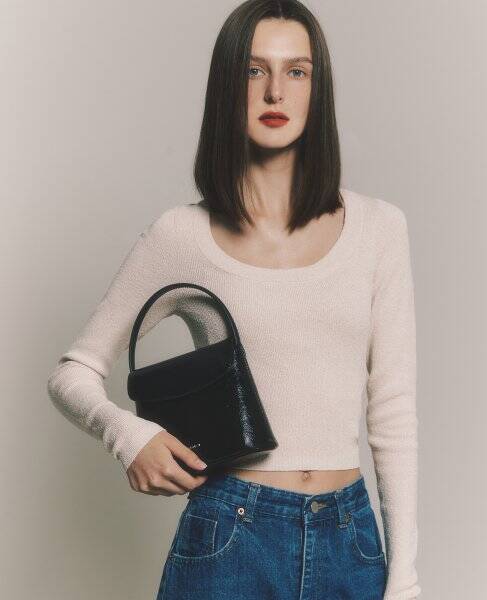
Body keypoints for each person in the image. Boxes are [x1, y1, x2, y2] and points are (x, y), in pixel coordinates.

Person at [47, 1, 420, 598]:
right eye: (254, 70)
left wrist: (404, 578)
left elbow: (393, 411)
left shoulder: (379, 229)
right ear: (228, 84)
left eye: (296, 71)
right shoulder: (182, 236)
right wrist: (128, 436)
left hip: (350, 541)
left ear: (317, 89)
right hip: (231, 536)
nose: (275, 91)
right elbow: (73, 373)